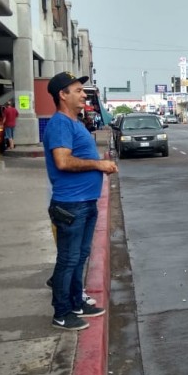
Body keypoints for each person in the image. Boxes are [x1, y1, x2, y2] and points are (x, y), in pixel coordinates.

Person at [43, 71, 118, 331]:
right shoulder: (60, 124)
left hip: (85, 202)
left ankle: (76, 303)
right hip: (70, 204)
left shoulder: (74, 123)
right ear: (62, 95)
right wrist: (99, 164)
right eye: (77, 90)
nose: (83, 94)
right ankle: (61, 313)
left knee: (79, 256)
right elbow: (63, 161)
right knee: (68, 259)